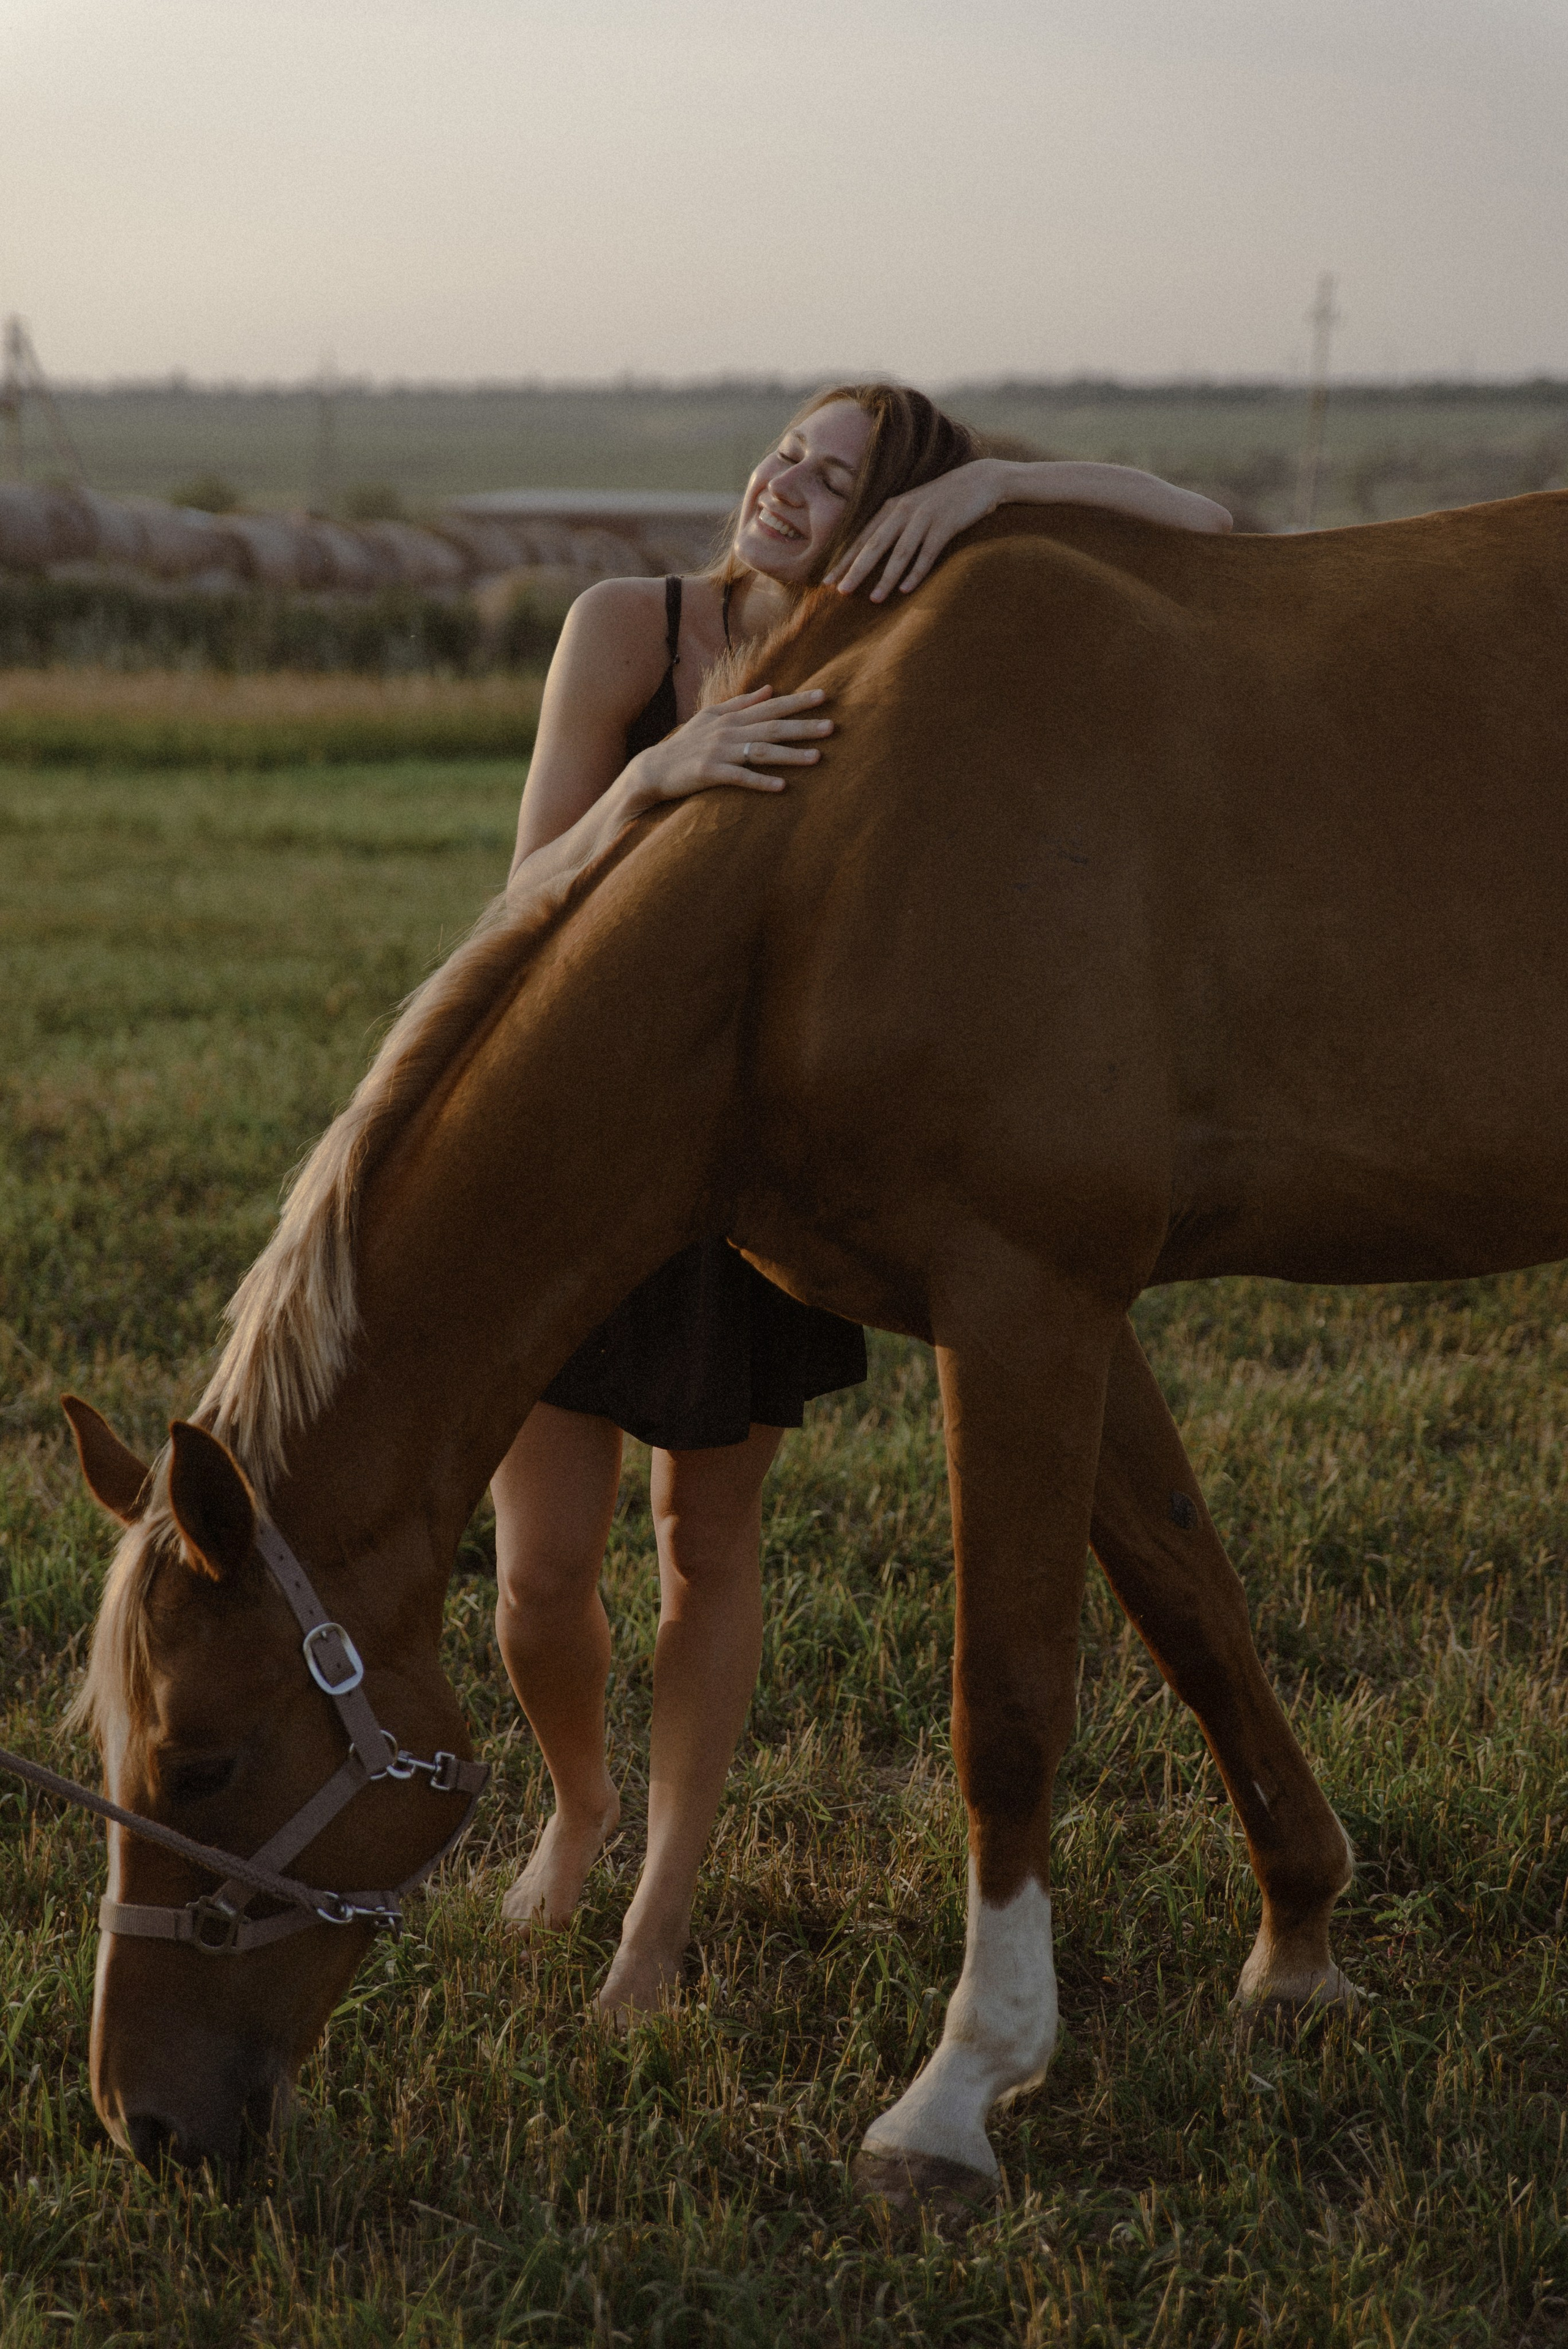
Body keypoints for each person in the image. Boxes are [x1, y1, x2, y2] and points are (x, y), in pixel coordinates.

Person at [492, 383, 1231, 2016]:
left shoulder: (894, 676)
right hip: (586, 1151)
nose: (783, 483)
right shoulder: (629, 627)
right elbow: (528, 894)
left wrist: (991, 502)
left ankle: (656, 1923)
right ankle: (578, 1805)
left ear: (883, 524)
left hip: (757, 1174)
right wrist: (661, 776)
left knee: (706, 1545)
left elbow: (1214, 536)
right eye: (785, 451)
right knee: (541, 1578)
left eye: (834, 482)